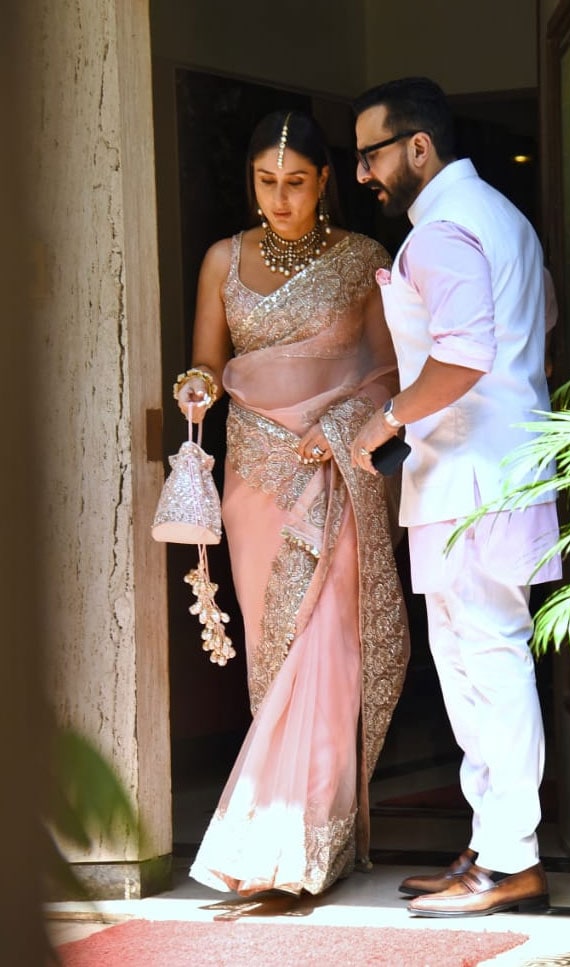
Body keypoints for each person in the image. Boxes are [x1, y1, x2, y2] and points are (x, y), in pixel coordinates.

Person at [173, 109, 410, 899]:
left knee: (330, 645)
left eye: (296, 183)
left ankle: (309, 840)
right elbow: (209, 359)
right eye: (266, 183)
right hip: (256, 475)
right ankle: (275, 830)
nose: (280, 199)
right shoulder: (221, 259)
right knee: (275, 650)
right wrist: (198, 385)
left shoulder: (361, 259)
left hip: (336, 469)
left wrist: (342, 427)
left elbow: (392, 375)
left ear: (325, 181)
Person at [351, 77, 562, 918]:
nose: (362, 171)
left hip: (473, 477)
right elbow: (538, 325)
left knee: (486, 663)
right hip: (495, 469)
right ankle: (490, 844)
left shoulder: (442, 228)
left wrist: (384, 421)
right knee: (477, 664)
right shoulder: (502, 217)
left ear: (416, 147)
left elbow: (465, 353)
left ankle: (510, 859)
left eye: (370, 152)